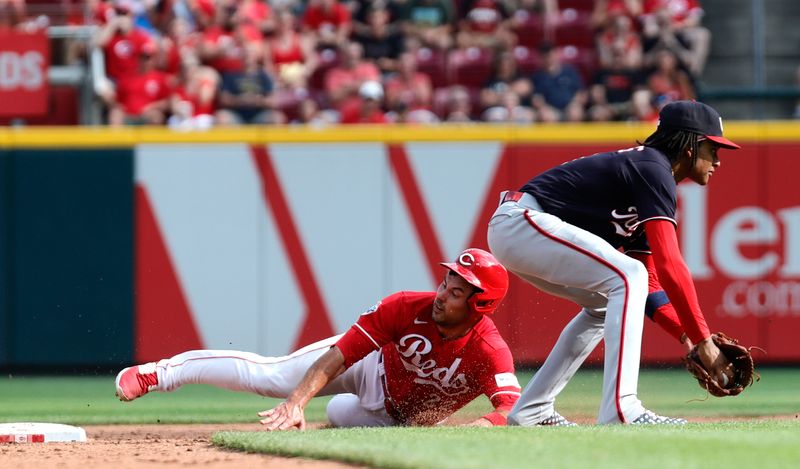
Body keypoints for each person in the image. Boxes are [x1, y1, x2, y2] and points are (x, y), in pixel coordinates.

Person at [487, 100, 740, 426]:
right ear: (690, 145)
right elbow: (671, 265)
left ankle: (533, 410)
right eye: (713, 148)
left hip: (522, 232)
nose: (718, 160)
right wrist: (704, 341)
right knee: (625, 275)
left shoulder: (653, 181)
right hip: (522, 221)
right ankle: (622, 409)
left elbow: (648, 284)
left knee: (609, 301)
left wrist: (686, 337)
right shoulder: (653, 167)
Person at [116, 249, 521, 429]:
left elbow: (511, 410)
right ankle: (160, 373)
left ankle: (336, 412)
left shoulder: (489, 350)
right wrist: (295, 402)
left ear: (478, 306)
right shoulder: (405, 307)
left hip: (397, 419)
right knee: (272, 379)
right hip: (370, 368)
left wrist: (483, 427)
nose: (441, 295)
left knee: (338, 417)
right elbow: (340, 355)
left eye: (455, 292)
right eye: (446, 282)